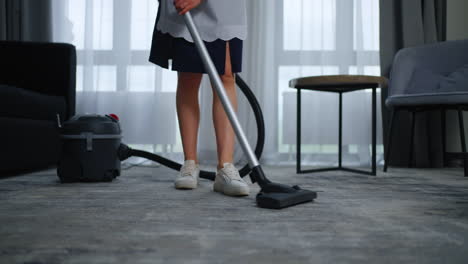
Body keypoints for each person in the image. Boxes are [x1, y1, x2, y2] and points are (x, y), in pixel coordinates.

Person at [149, 0, 250, 196]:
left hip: (223, 8)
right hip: (182, 8)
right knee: (188, 76)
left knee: (225, 76)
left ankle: (225, 167)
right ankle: (190, 163)